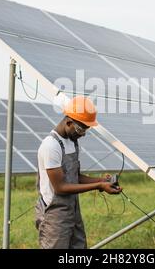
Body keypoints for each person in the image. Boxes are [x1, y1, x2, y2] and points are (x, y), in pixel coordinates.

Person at [35, 96, 122, 249]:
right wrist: (98, 186)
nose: (83, 134)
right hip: (54, 215)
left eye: (86, 130)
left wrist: (101, 180)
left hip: (72, 210)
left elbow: (76, 177)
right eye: (81, 129)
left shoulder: (72, 142)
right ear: (68, 122)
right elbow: (60, 187)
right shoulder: (51, 146)